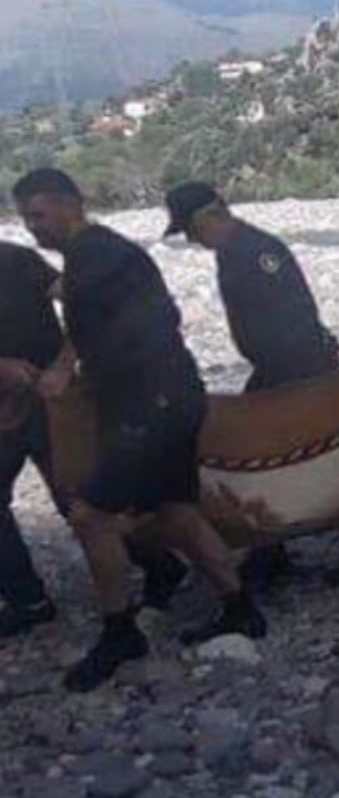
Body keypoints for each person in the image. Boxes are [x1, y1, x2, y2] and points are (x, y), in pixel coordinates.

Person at [13, 168, 265, 692]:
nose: (33, 228)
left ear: (70, 204)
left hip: (151, 406)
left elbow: (143, 324)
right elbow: (93, 325)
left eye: (39, 215)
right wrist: (68, 367)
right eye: (25, 218)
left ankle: (119, 631)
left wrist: (86, 375)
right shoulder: (94, 256)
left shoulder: (96, 257)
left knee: (89, 515)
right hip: (173, 395)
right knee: (177, 511)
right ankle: (241, 608)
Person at [162, 182, 339, 587]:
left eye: (191, 230)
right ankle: (277, 547)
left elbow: (293, 318)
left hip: (297, 369)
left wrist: (284, 384)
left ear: (209, 216)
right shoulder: (236, 251)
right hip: (282, 367)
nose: (193, 240)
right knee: (288, 456)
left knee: (314, 455)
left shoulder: (255, 252)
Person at [1, 241, 188, 640]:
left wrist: (64, 365)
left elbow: (85, 305)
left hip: (53, 404)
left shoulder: (15, 259)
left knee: (82, 499)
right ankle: (27, 600)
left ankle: (159, 565)